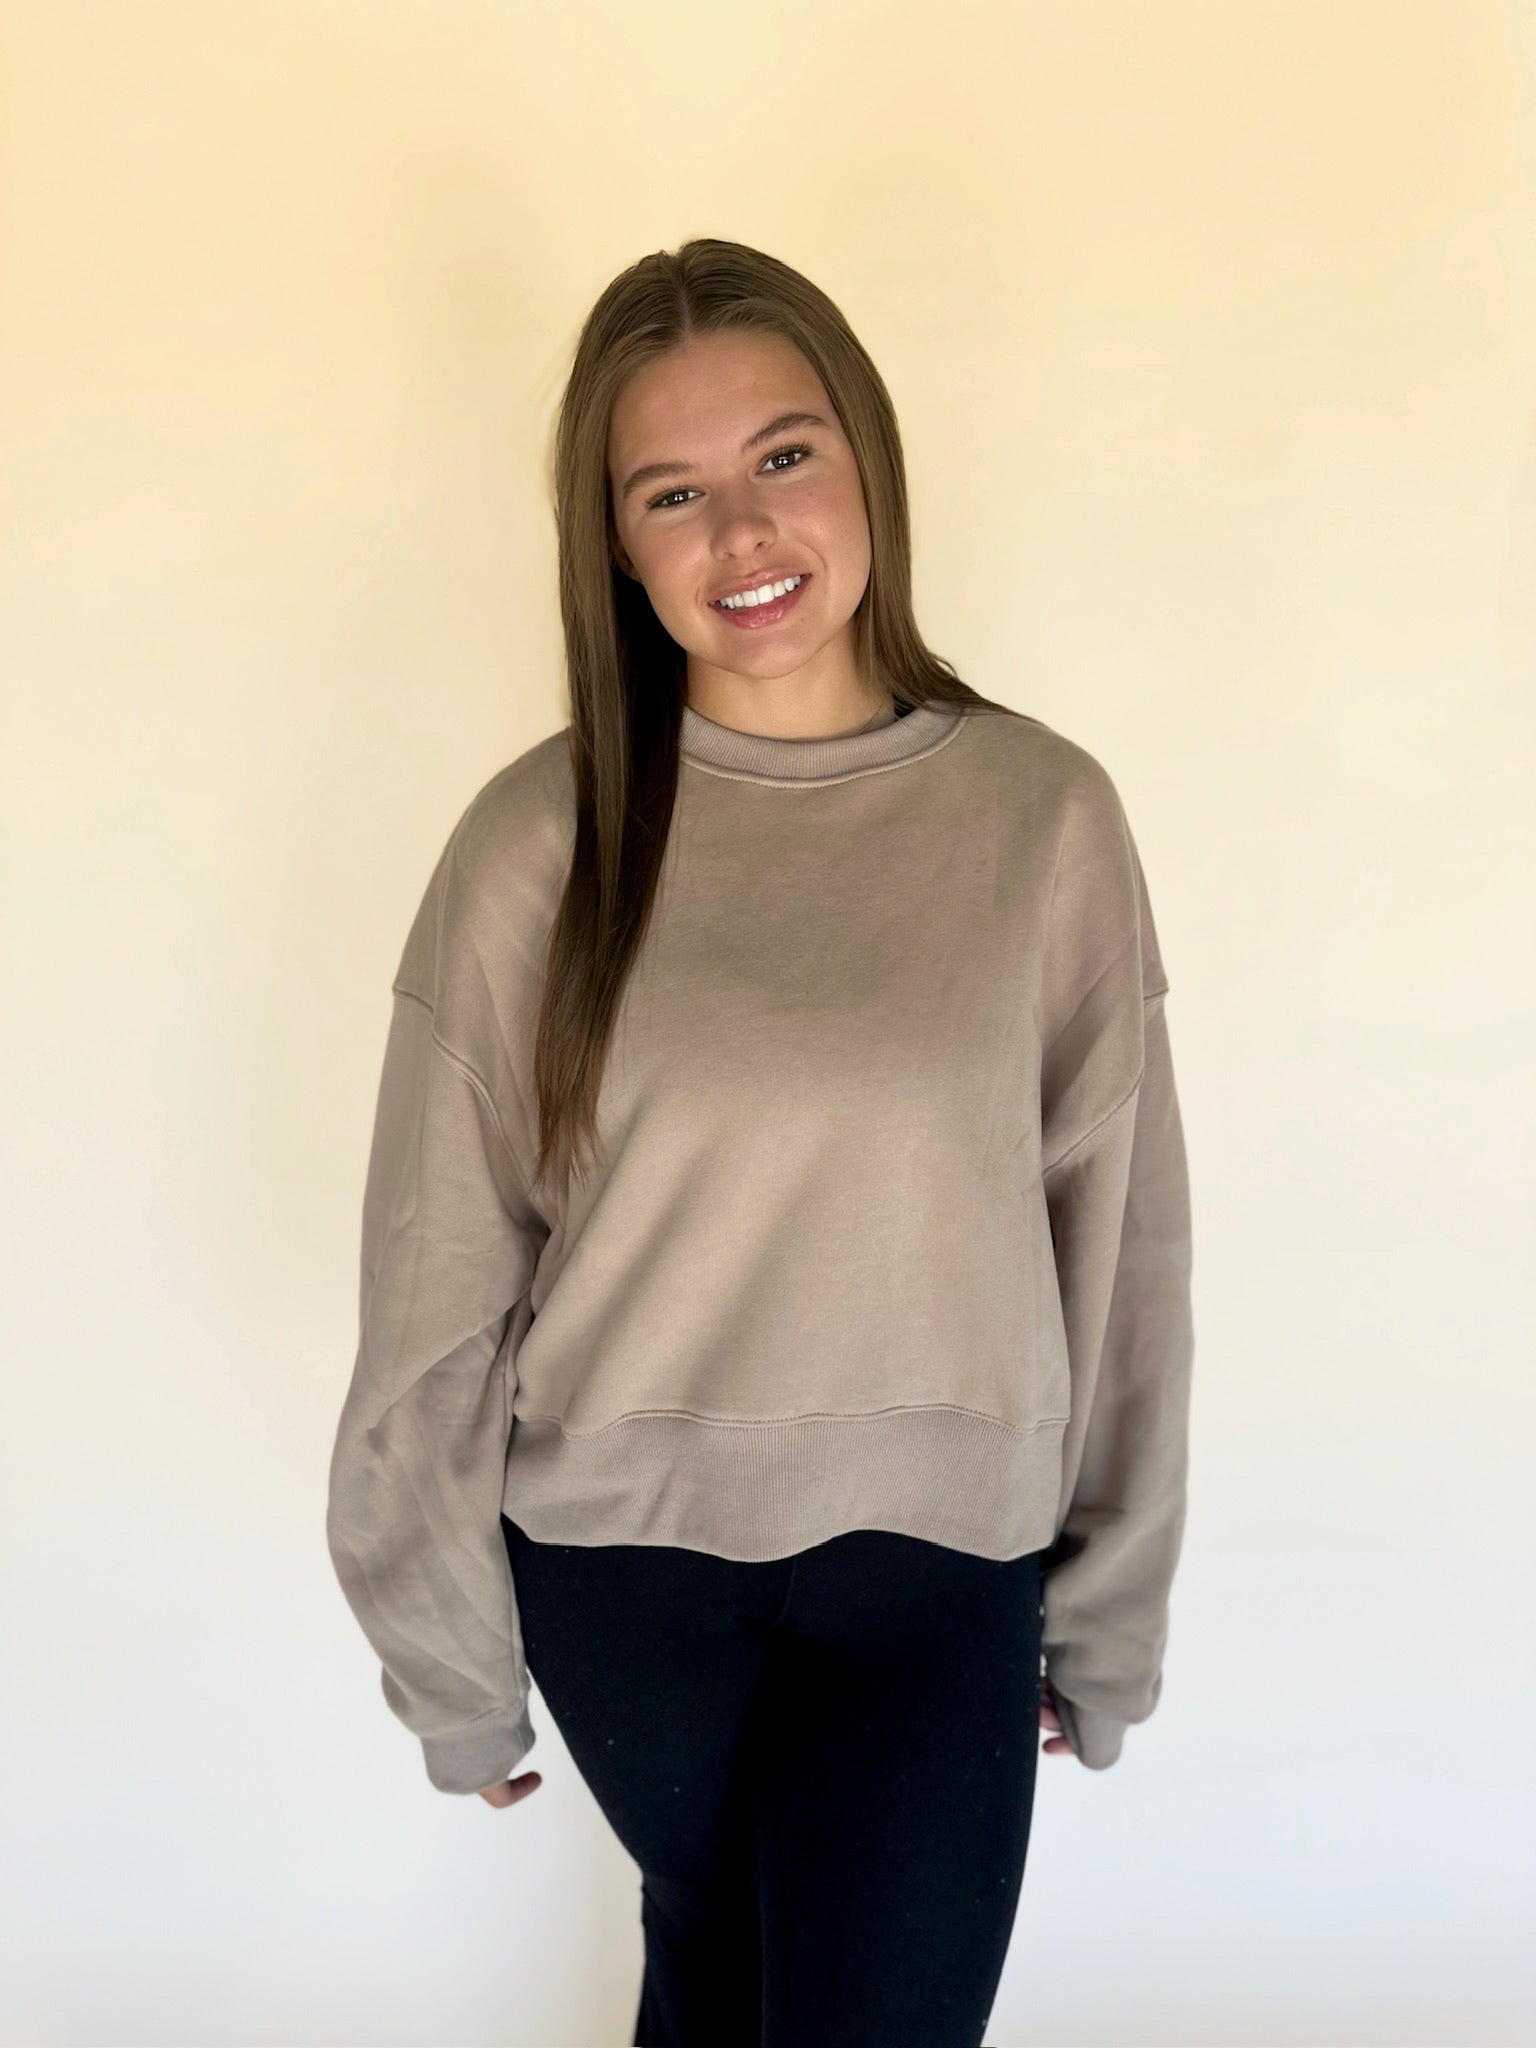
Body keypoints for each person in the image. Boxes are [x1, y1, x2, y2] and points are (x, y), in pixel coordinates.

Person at [325, 236, 1195, 2048]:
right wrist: (448, 1661)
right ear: (616, 544)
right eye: (675, 492)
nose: (743, 531)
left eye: (785, 455)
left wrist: (1111, 1597)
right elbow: (435, 1276)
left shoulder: (1040, 820)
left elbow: (1122, 1240)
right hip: (625, 1581)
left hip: (943, 1567)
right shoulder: (533, 846)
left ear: (868, 458)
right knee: (725, 1986)